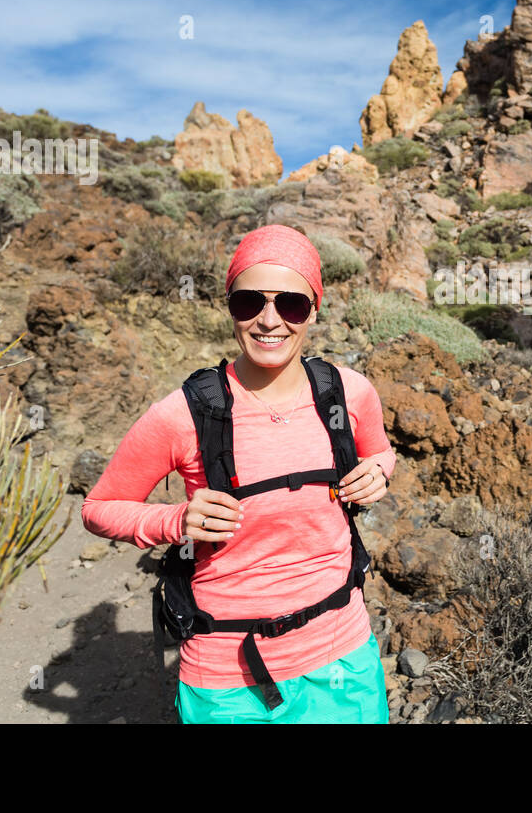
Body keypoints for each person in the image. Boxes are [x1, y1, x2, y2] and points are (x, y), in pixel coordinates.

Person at [81, 224, 395, 723]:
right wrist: (175, 520)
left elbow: (380, 451)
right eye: (249, 301)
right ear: (229, 305)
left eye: (290, 304)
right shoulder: (183, 413)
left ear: (315, 308)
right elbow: (98, 509)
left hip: (343, 656)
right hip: (227, 679)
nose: (269, 320)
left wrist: (377, 471)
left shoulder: (347, 393)